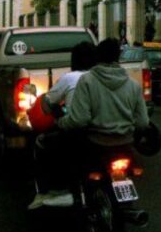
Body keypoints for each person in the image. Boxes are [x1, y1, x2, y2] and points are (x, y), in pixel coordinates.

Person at [29, 38, 150, 209]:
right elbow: (143, 122)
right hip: (125, 142)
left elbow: (79, 120)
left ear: (98, 56)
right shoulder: (133, 85)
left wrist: (61, 122)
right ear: (118, 57)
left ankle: (50, 191)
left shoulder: (88, 81)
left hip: (96, 141)